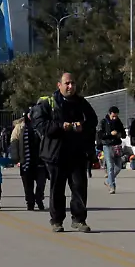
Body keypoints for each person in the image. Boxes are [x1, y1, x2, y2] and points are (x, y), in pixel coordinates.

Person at [30, 72, 98, 233]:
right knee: (57, 189)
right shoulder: (49, 103)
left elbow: (93, 122)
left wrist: (83, 126)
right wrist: (60, 126)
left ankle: (79, 220)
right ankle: (56, 220)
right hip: (56, 154)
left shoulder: (81, 103)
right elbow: (40, 125)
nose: (70, 86)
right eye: (67, 83)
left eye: (73, 83)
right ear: (59, 85)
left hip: (78, 154)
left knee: (79, 187)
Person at [10, 108, 46, 211]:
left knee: (41, 183)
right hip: (26, 161)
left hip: (40, 161)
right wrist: (15, 157)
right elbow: (14, 141)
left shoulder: (41, 125)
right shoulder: (20, 126)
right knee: (28, 185)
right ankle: (30, 202)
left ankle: (39, 199)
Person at [96, 106, 127, 194]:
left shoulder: (118, 122)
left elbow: (124, 134)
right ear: (109, 114)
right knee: (110, 166)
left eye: (116, 116)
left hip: (117, 145)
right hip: (107, 145)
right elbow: (100, 135)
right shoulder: (103, 122)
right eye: (113, 116)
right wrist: (110, 134)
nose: (114, 118)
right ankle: (112, 186)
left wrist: (119, 134)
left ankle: (109, 181)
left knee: (119, 166)